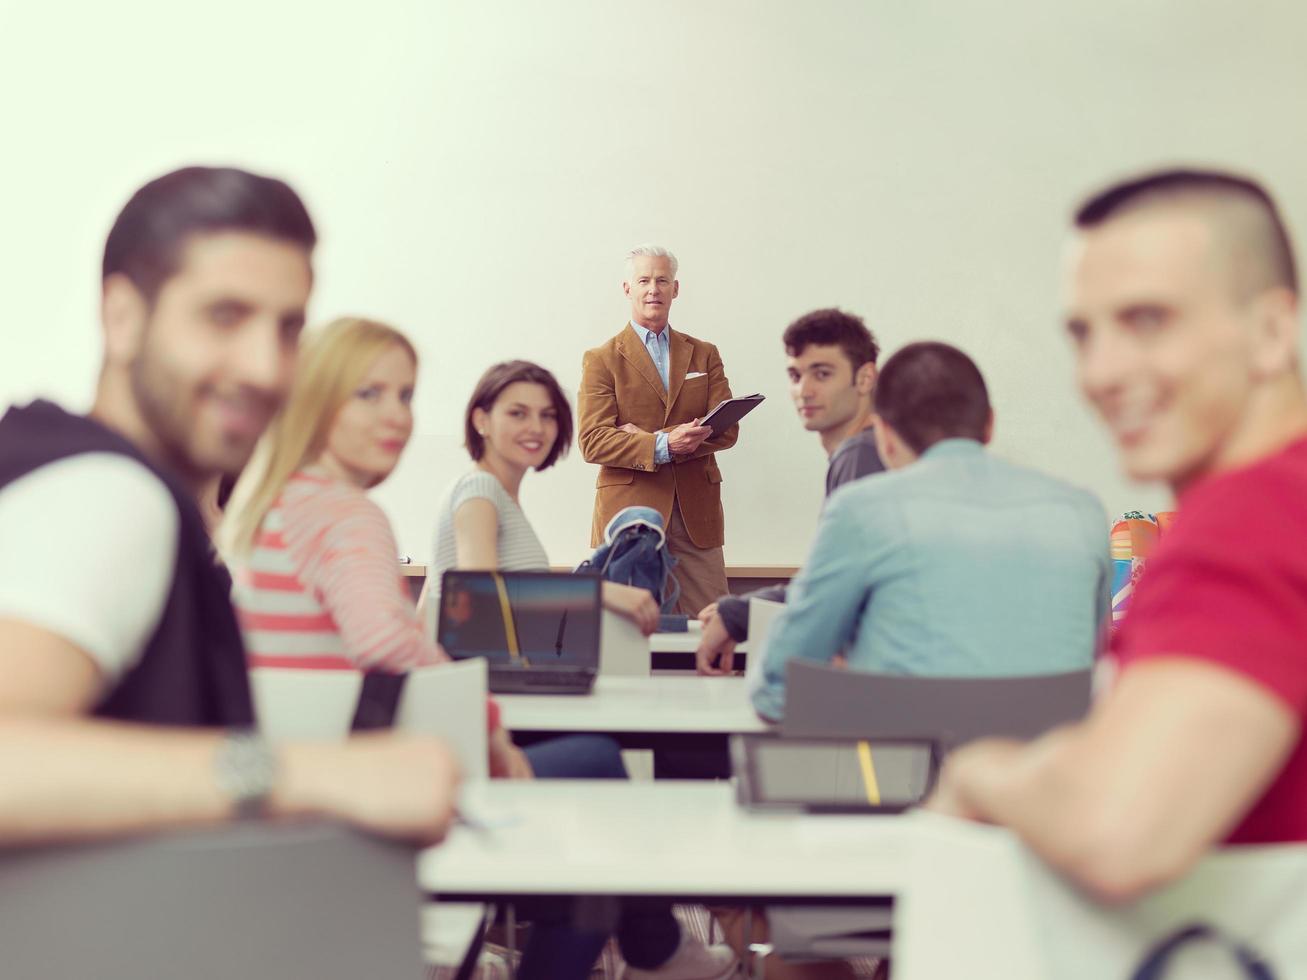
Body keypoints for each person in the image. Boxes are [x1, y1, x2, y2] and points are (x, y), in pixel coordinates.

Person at [0, 166, 457, 846]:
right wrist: (318, 775)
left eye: (287, 329)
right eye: (224, 316)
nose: (265, 368)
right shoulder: (112, 499)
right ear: (121, 316)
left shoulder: (62, 466)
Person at [928, 169, 1307, 901]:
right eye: (1081, 333)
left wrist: (980, 771)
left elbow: (1118, 831)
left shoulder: (1251, 520)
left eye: (1147, 320)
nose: (1098, 373)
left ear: (1270, 332)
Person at [753, 341, 1110, 722]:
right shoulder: (1082, 512)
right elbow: (1095, 664)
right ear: (989, 425)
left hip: (901, 773)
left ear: (883, 435)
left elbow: (776, 688)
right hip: (1048, 772)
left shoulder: (861, 511)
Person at [696, 308, 885, 674]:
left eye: (823, 374)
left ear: (864, 379)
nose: (804, 390)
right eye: (795, 375)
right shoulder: (867, 450)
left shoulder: (861, 455)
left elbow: (834, 592)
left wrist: (739, 613)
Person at [431, 359, 660, 635]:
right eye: (518, 413)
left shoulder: (494, 495)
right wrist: (597, 591)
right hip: (484, 677)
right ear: (482, 421)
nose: (537, 428)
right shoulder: (480, 490)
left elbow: (429, 606)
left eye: (547, 415)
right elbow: (480, 603)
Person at [578, 245, 739, 616]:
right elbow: (592, 441)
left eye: (662, 280)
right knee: (628, 636)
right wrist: (665, 443)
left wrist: (641, 437)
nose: (654, 289)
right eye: (644, 280)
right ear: (627, 289)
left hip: (696, 515)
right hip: (630, 517)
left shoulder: (705, 353)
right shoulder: (601, 359)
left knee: (712, 625)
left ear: (675, 289)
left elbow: (727, 428)